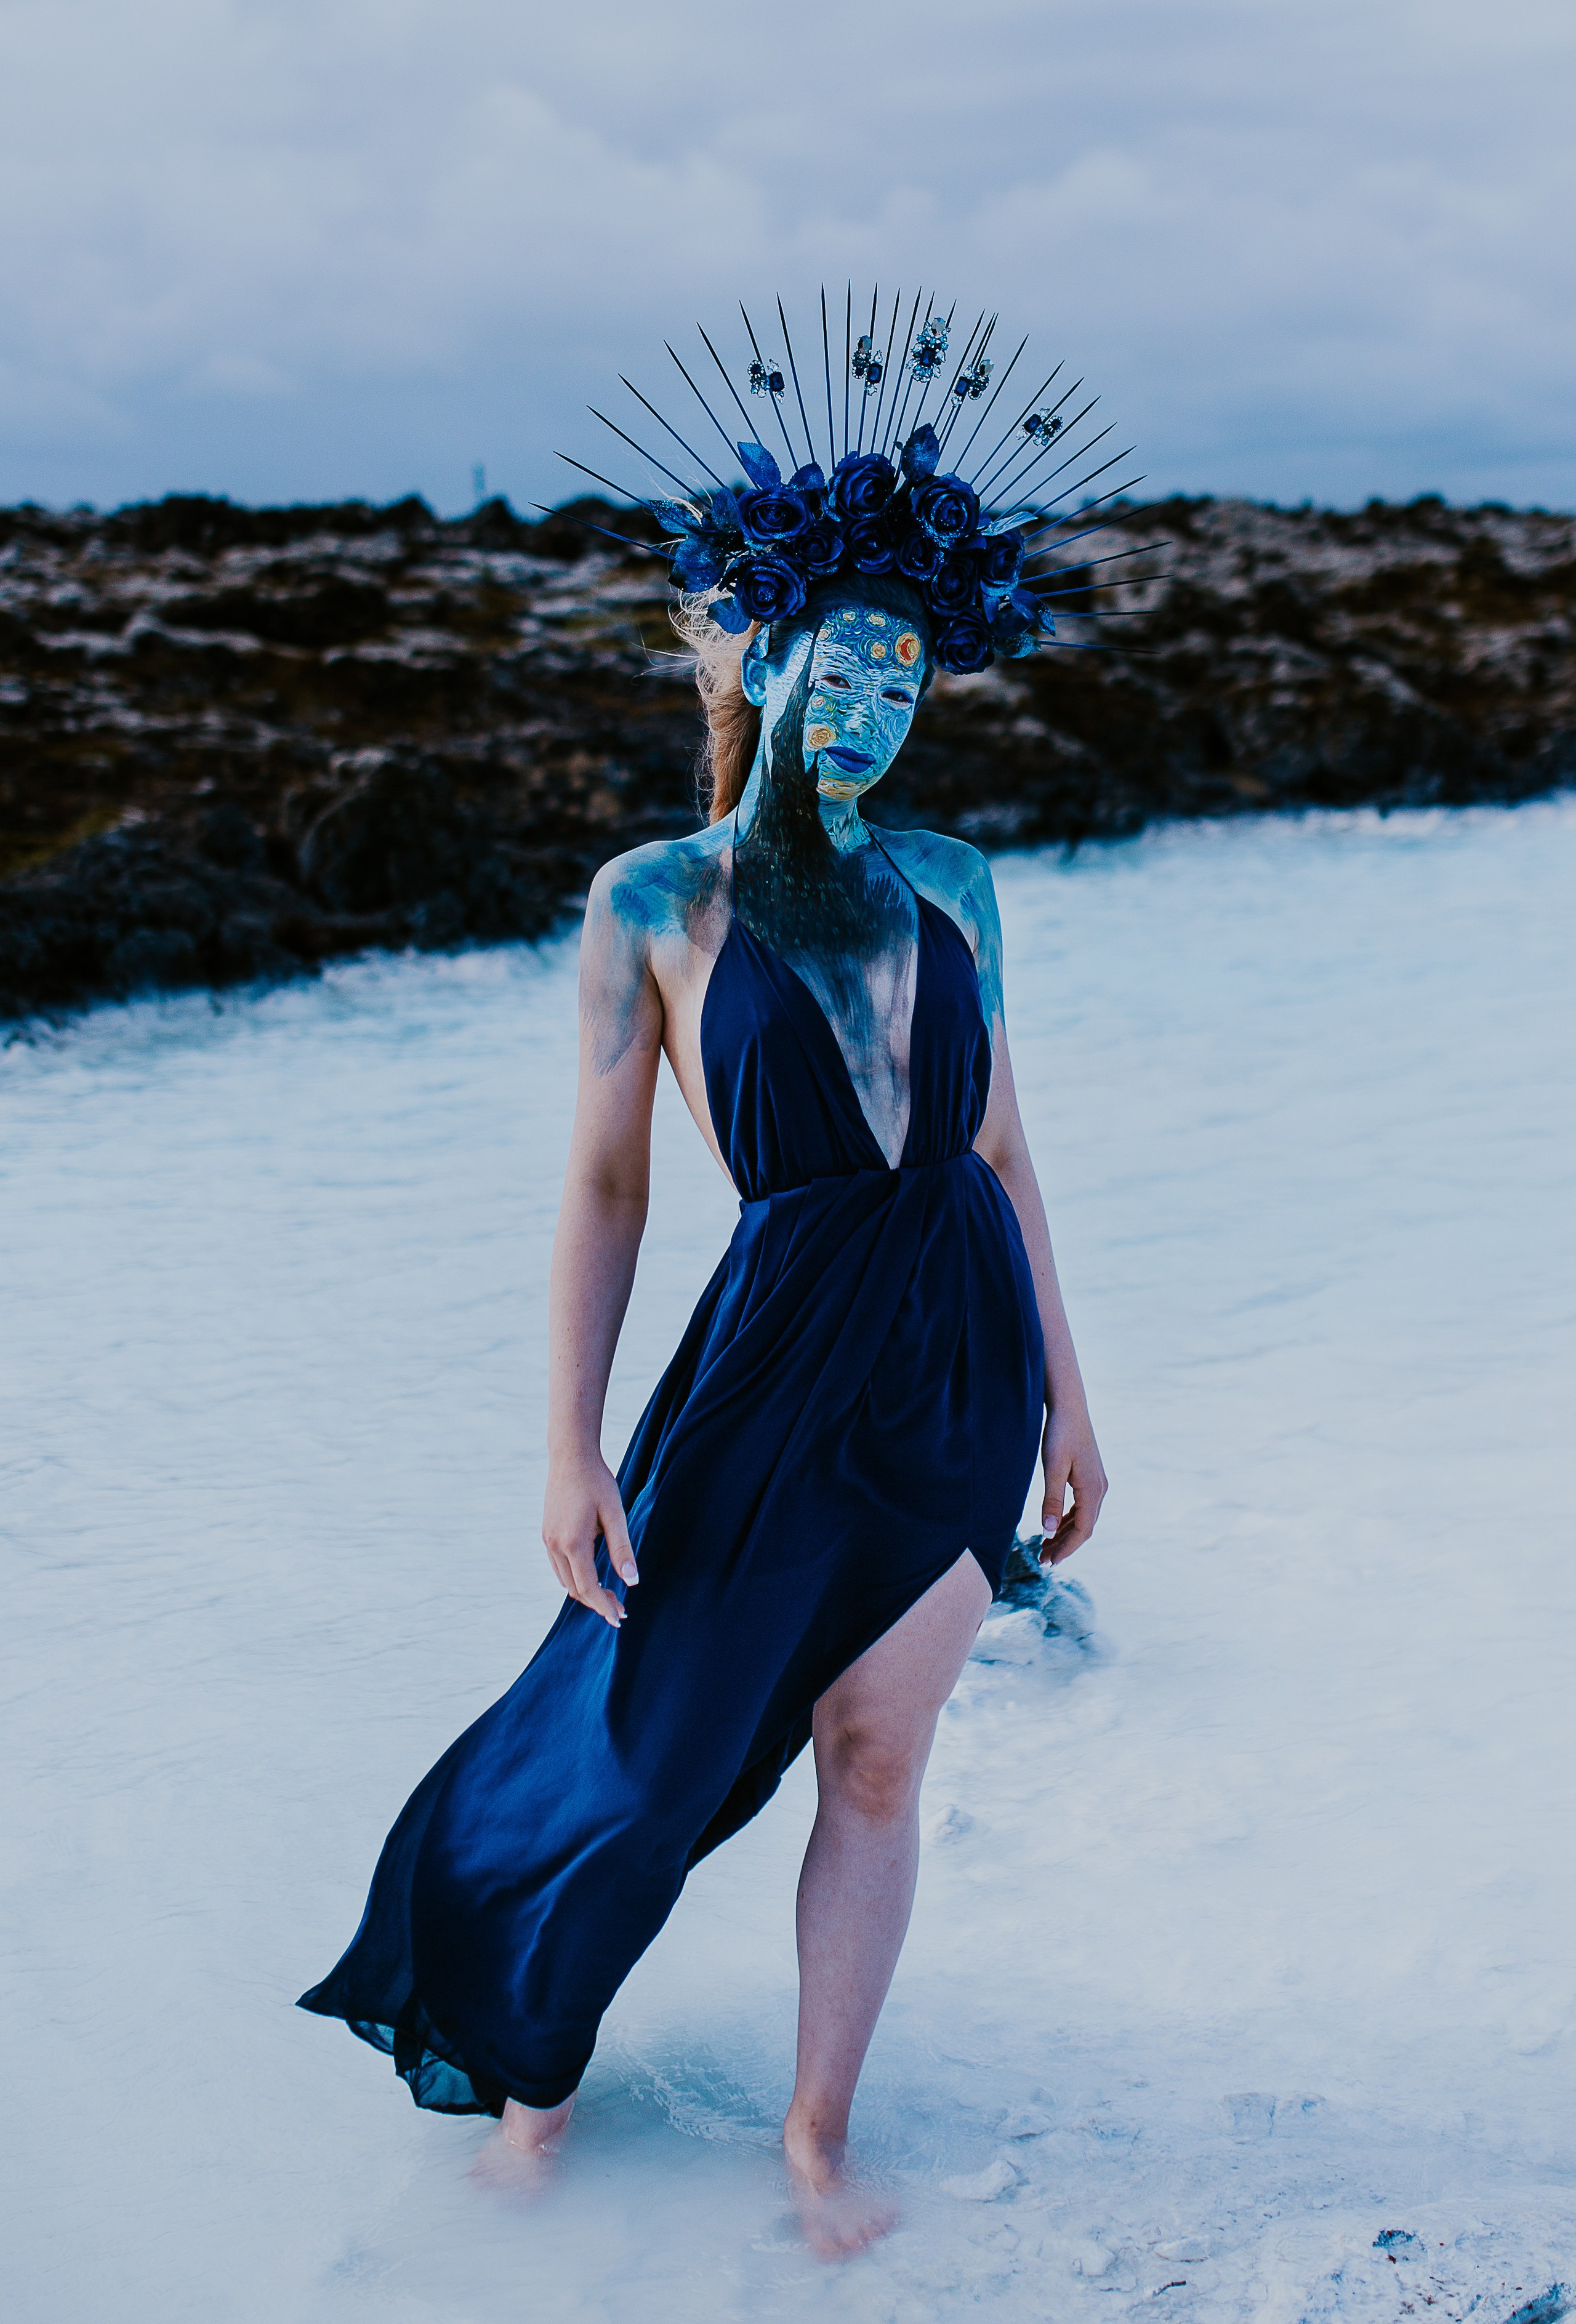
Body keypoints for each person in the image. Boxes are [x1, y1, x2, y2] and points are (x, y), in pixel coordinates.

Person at [300, 292, 1109, 2258]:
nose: (883, 700)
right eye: (852, 661)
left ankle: (817, 2142)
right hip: (763, 1372)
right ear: (772, 656)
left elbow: (996, 1147)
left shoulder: (961, 882)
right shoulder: (653, 902)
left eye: (915, 670)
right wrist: (568, 1448)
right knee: (645, 1742)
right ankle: (532, 2082)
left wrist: (1078, 1397)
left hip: (953, 1358)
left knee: (880, 1753)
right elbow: (603, 1186)